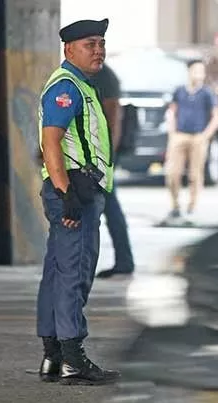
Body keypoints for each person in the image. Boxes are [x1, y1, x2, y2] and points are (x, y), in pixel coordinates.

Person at [36, 18, 119, 385]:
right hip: (75, 195)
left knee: (57, 274)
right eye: (90, 44)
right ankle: (73, 358)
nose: (98, 50)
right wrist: (65, 193)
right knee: (75, 273)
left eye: (101, 43)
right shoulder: (67, 87)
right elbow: (50, 141)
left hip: (75, 192)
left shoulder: (82, 85)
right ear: (69, 49)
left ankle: (53, 357)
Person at [90, 64, 135, 279]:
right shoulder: (80, 73)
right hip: (86, 155)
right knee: (105, 206)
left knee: (107, 206)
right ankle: (124, 260)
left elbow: (113, 120)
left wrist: (106, 157)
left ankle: (124, 261)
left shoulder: (104, 76)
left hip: (100, 157)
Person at [164, 59, 218, 219]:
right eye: (196, 70)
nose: (199, 74)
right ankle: (175, 206)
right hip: (179, 135)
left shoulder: (207, 93)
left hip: (198, 136)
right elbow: (172, 111)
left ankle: (192, 206)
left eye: (202, 71)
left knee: (195, 174)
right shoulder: (179, 91)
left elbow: (217, 116)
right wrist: (172, 131)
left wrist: (205, 135)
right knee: (172, 173)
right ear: (189, 71)